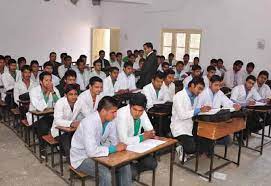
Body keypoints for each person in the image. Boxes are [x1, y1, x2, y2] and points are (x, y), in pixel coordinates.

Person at [70, 96, 132, 186]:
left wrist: (120, 148)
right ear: (103, 111)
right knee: (105, 173)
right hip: (82, 157)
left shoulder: (111, 120)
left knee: (125, 164)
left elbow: (114, 141)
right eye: (113, 112)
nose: (115, 115)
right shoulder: (89, 123)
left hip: (99, 151)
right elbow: (91, 152)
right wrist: (114, 149)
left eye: (116, 112)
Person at [115, 93, 157, 179]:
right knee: (132, 173)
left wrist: (150, 133)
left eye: (140, 110)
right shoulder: (122, 114)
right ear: (130, 106)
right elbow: (124, 140)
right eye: (135, 109)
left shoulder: (142, 112)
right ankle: (120, 173)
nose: (137, 113)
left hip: (135, 146)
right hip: (119, 148)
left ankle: (128, 171)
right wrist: (143, 137)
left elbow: (150, 129)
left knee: (152, 163)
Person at [170, 77, 212, 160]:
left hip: (189, 125)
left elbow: (194, 111)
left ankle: (186, 149)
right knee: (192, 148)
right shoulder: (179, 96)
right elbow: (182, 115)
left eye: (201, 90)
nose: (200, 92)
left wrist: (203, 109)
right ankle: (179, 146)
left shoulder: (194, 96)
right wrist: (199, 110)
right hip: (179, 128)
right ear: (192, 85)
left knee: (206, 138)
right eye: (199, 89)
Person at [26, 72, 60, 157]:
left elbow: (59, 103)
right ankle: (42, 148)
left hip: (49, 115)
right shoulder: (33, 91)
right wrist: (48, 92)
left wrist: (53, 92)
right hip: (36, 117)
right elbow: (39, 108)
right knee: (43, 126)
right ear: (41, 81)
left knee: (59, 125)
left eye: (50, 80)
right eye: (46, 80)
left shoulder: (54, 89)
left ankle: (60, 145)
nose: (49, 82)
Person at [51, 84, 82, 162]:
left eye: (75, 94)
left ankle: (80, 161)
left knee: (81, 143)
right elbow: (58, 121)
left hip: (72, 130)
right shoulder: (60, 103)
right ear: (65, 95)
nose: (74, 97)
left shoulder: (79, 102)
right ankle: (72, 166)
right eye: (70, 94)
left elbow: (86, 114)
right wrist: (71, 123)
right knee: (69, 147)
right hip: (59, 131)